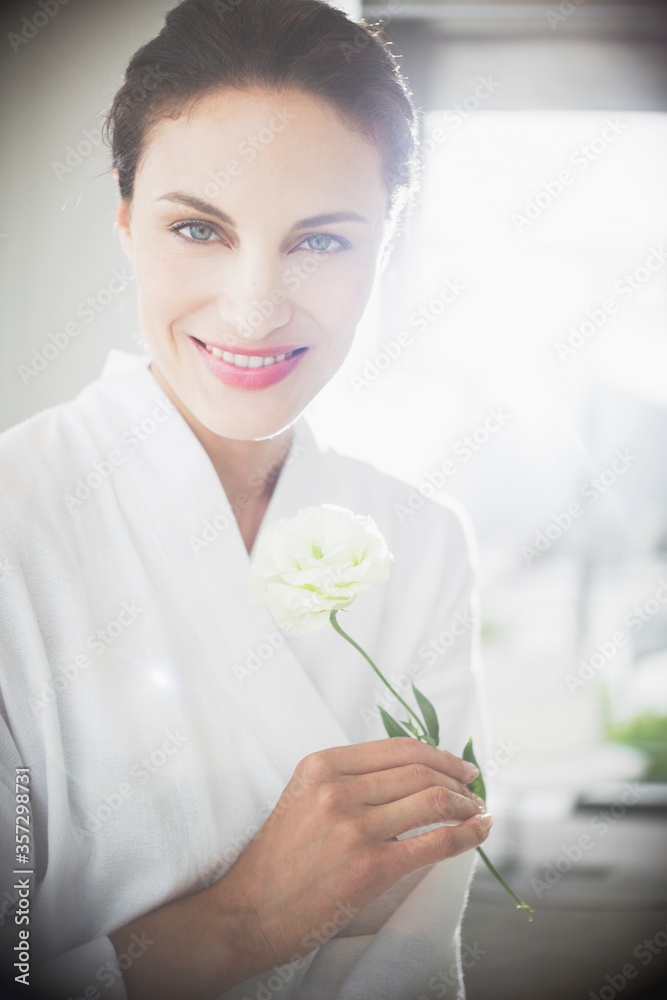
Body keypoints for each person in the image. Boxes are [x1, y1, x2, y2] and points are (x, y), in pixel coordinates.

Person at [0, 1, 492, 998]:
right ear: (127, 218)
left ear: (384, 247)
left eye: (320, 242)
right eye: (198, 228)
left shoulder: (422, 543)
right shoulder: (15, 518)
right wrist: (247, 918)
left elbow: (413, 950)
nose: (254, 306)